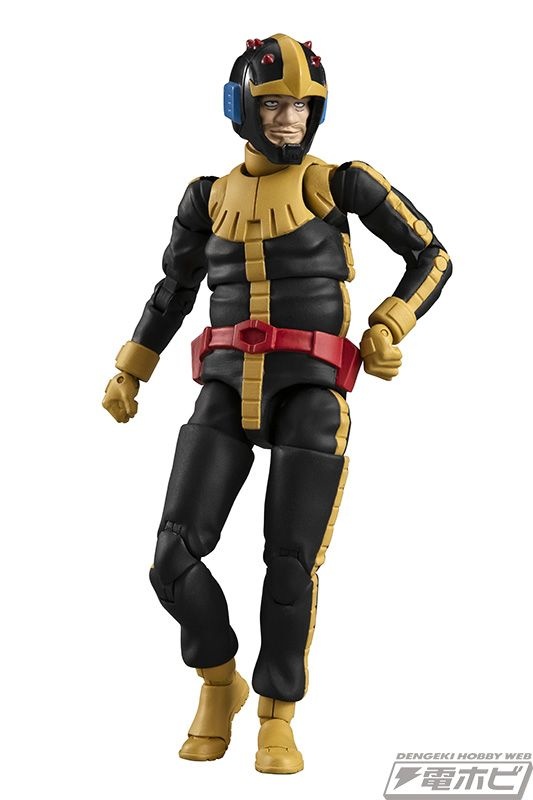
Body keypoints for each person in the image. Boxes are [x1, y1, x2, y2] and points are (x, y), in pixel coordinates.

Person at [103, 33, 452, 774]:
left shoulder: (341, 184)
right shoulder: (206, 199)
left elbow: (432, 254)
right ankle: (217, 680)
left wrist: (390, 322)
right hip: (224, 386)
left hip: (310, 391)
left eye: (302, 106)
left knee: (290, 564)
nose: (290, 119)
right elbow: (173, 290)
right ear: (241, 108)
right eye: (273, 105)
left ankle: (276, 714)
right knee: (171, 558)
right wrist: (132, 368)